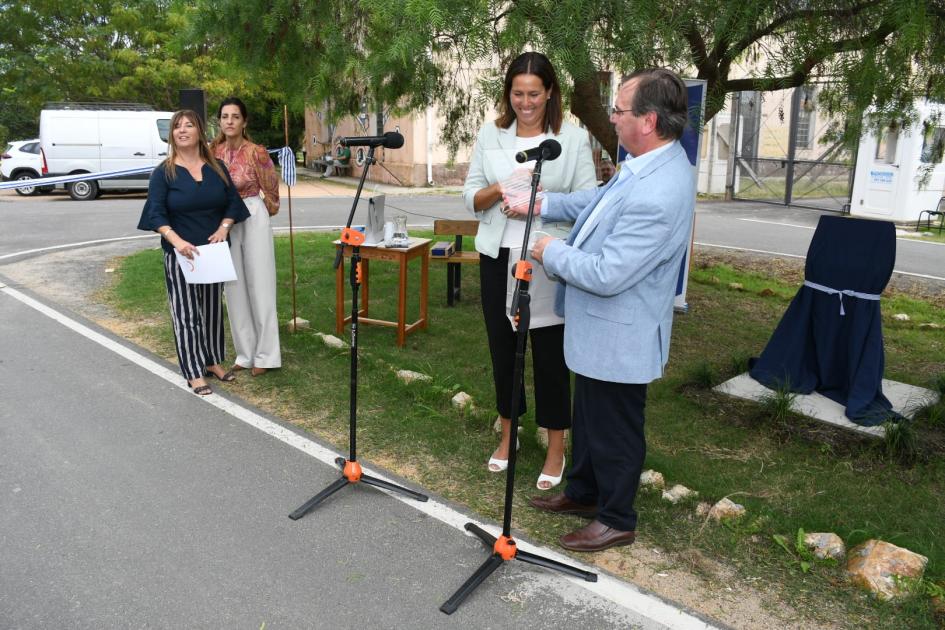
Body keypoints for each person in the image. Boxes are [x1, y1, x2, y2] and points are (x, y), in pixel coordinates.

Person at [519, 68, 695, 551]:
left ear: (649, 120)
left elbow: (607, 272)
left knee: (615, 427)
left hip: (624, 332)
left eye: (620, 110)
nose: (612, 118)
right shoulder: (645, 164)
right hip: (603, 329)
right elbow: (597, 204)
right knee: (591, 416)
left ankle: (617, 517)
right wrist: (540, 202)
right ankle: (583, 492)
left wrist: (548, 250)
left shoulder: (659, 191)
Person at [463, 51, 597, 490]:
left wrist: (540, 201)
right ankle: (508, 437)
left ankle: (556, 448)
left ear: (550, 93)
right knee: (504, 350)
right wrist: (501, 188)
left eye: (534, 94)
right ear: (508, 94)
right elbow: (470, 195)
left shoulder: (572, 139)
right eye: (517, 93)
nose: (525, 102)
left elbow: (588, 202)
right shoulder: (491, 134)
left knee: (550, 356)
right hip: (497, 253)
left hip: (547, 258)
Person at [137, 110, 250, 395]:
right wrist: (177, 242)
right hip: (181, 254)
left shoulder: (217, 167)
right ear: (172, 135)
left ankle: (211, 361)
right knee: (186, 313)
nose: (182, 130)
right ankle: (193, 371)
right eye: (177, 127)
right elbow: (155, 214)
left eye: (189, 125)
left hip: (213, 252)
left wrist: (225, 227)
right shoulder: (164, 172)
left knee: (212, 311)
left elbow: (233, 204)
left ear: (200, 131)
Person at [211, 97, 282, 377]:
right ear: (220, 121)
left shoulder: (256, 152)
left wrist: (262, 213)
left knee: (261, 284)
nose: (229, 121)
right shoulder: (212, 152)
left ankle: (267, 354)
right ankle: (245, 353)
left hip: (252, 213)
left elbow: (272, 192)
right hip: (223, 222)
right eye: (225, 116)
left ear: (244, 122)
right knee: (234, 286)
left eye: (235, 116)